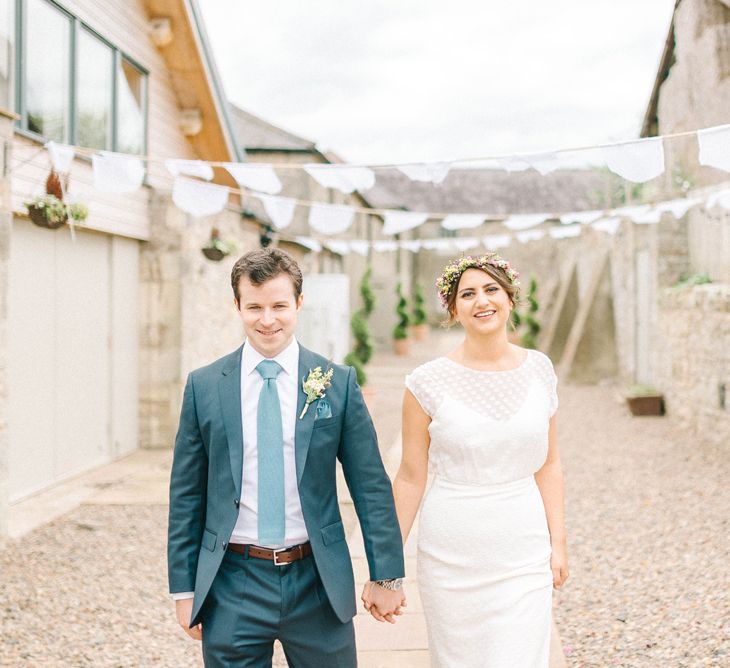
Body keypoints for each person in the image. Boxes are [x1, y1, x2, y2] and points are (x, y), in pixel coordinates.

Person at [167, 248, 406, 667]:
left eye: (279, 305)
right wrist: (185, 591)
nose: (267, 319)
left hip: (317, 577)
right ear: (237, 306)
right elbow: (186, 494)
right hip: (232, 580)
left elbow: (370, 484)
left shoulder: (337, 383)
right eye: (254, 307)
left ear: (298, 303)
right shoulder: (204, 386)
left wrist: (386, 575)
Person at [391, 254, 568, 667]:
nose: (481, 300)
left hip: (523, 549)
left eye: (491, 289)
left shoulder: (540, 370)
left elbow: (550, 464)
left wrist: (557, 543)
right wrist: (388, 564)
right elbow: (410, 477)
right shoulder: (426, 382)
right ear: (453, 310)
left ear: (509, 298)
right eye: (467, 294)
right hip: (452, 553)